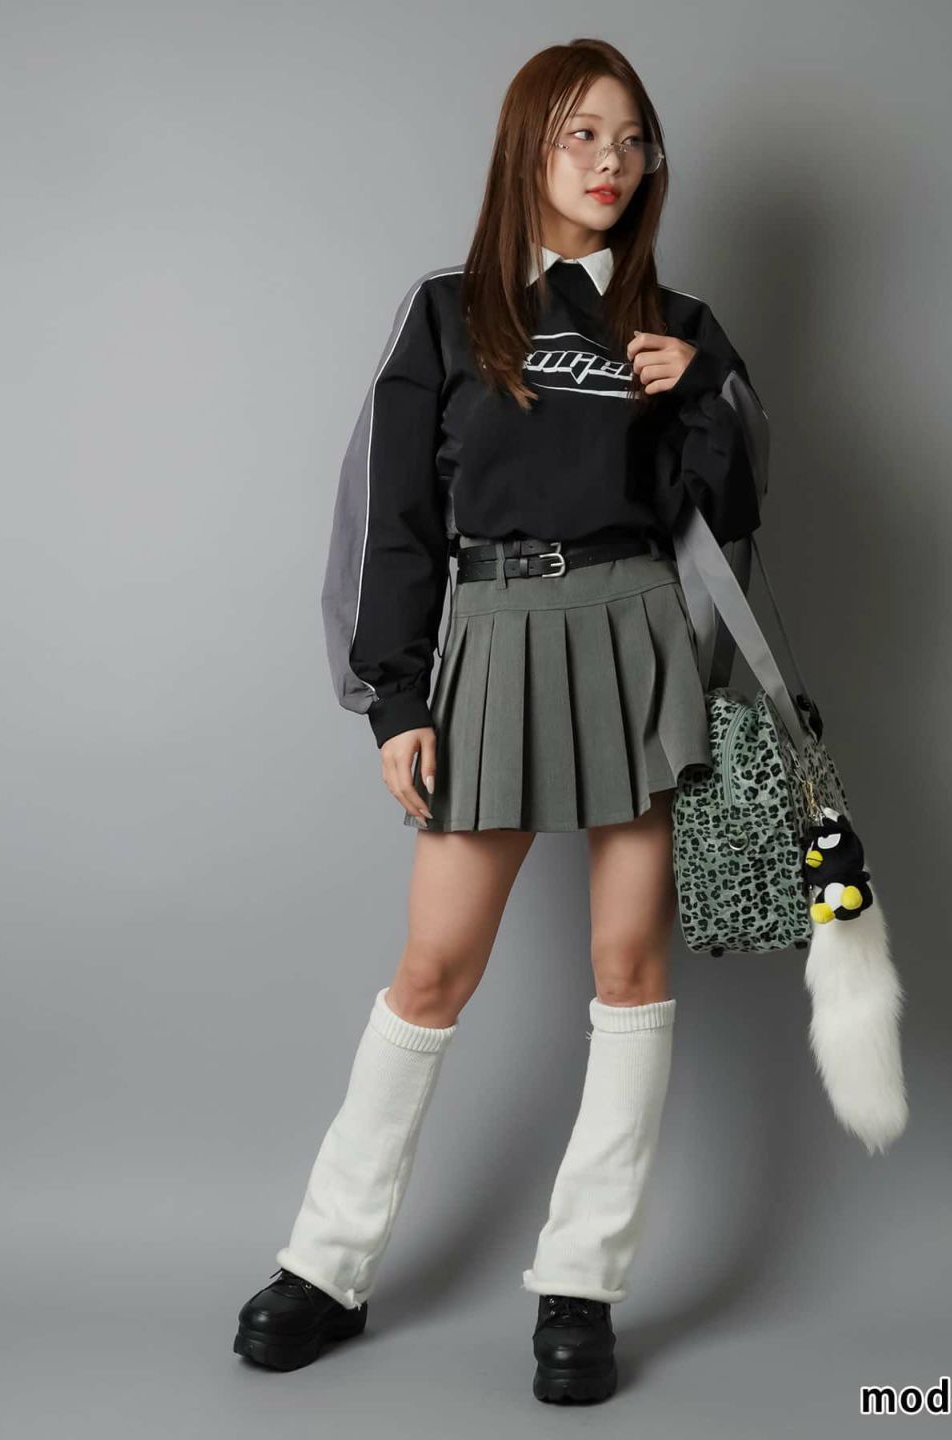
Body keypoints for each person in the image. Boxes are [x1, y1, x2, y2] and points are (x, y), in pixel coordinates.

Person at [233, 36, 769, 1405]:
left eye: (633, 139)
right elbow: (396, 521)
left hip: (634, 636)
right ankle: (327, 1264)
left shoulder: (680, 327)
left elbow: (731, 517)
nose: (610, 161)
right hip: (493, 637)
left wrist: (700, 396)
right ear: (529, 147)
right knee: (432, 970)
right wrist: (397, 698)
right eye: (582, 133)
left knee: (630, 963)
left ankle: (582, 1284)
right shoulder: (447, 314)